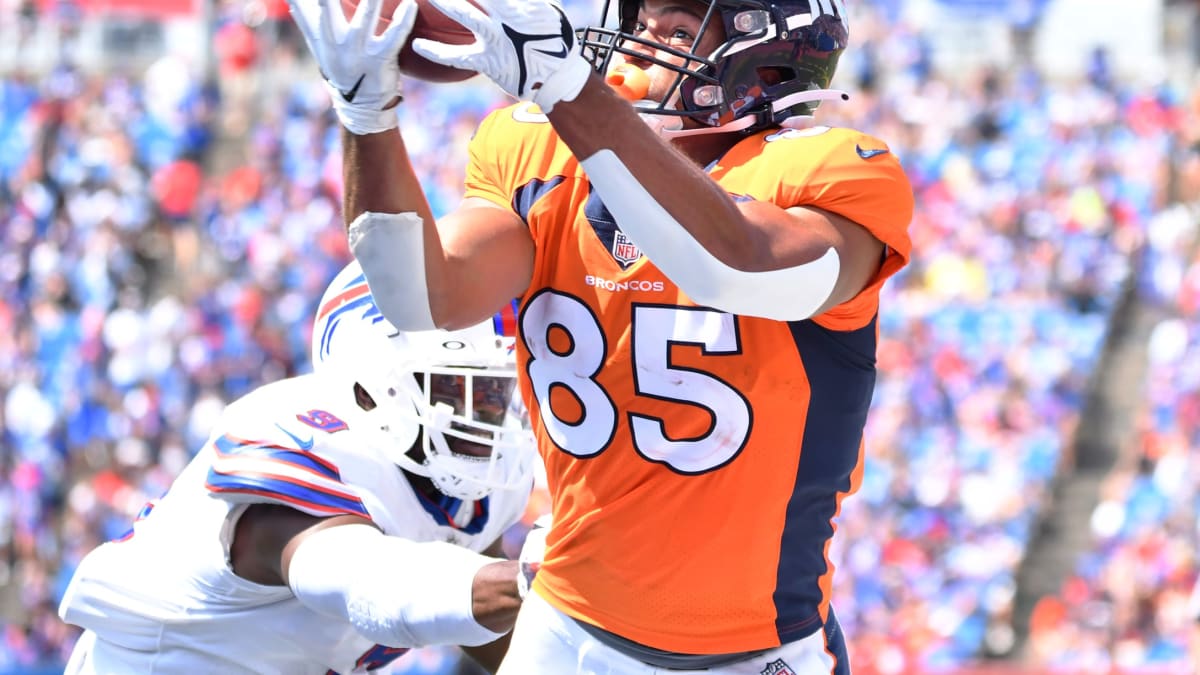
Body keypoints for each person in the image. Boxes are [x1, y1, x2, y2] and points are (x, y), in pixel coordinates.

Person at [288, 0, 914, 672]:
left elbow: (735, 266)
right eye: (641, 25)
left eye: (677, 31)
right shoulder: (535, 148)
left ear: (767, 63)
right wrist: (365, 113)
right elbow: (420, 292)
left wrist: (567, 90)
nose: (640, 47)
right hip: (562, 622)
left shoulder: (836, 171)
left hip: (745, 649)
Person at [57, 260, 538, 674]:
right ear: (371, 388)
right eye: (458, 393)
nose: (488, 418)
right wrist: (539, 572)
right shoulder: (302, 447)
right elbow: (378, 588)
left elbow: (500, 627)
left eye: (497, 394)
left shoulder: (466, 482)